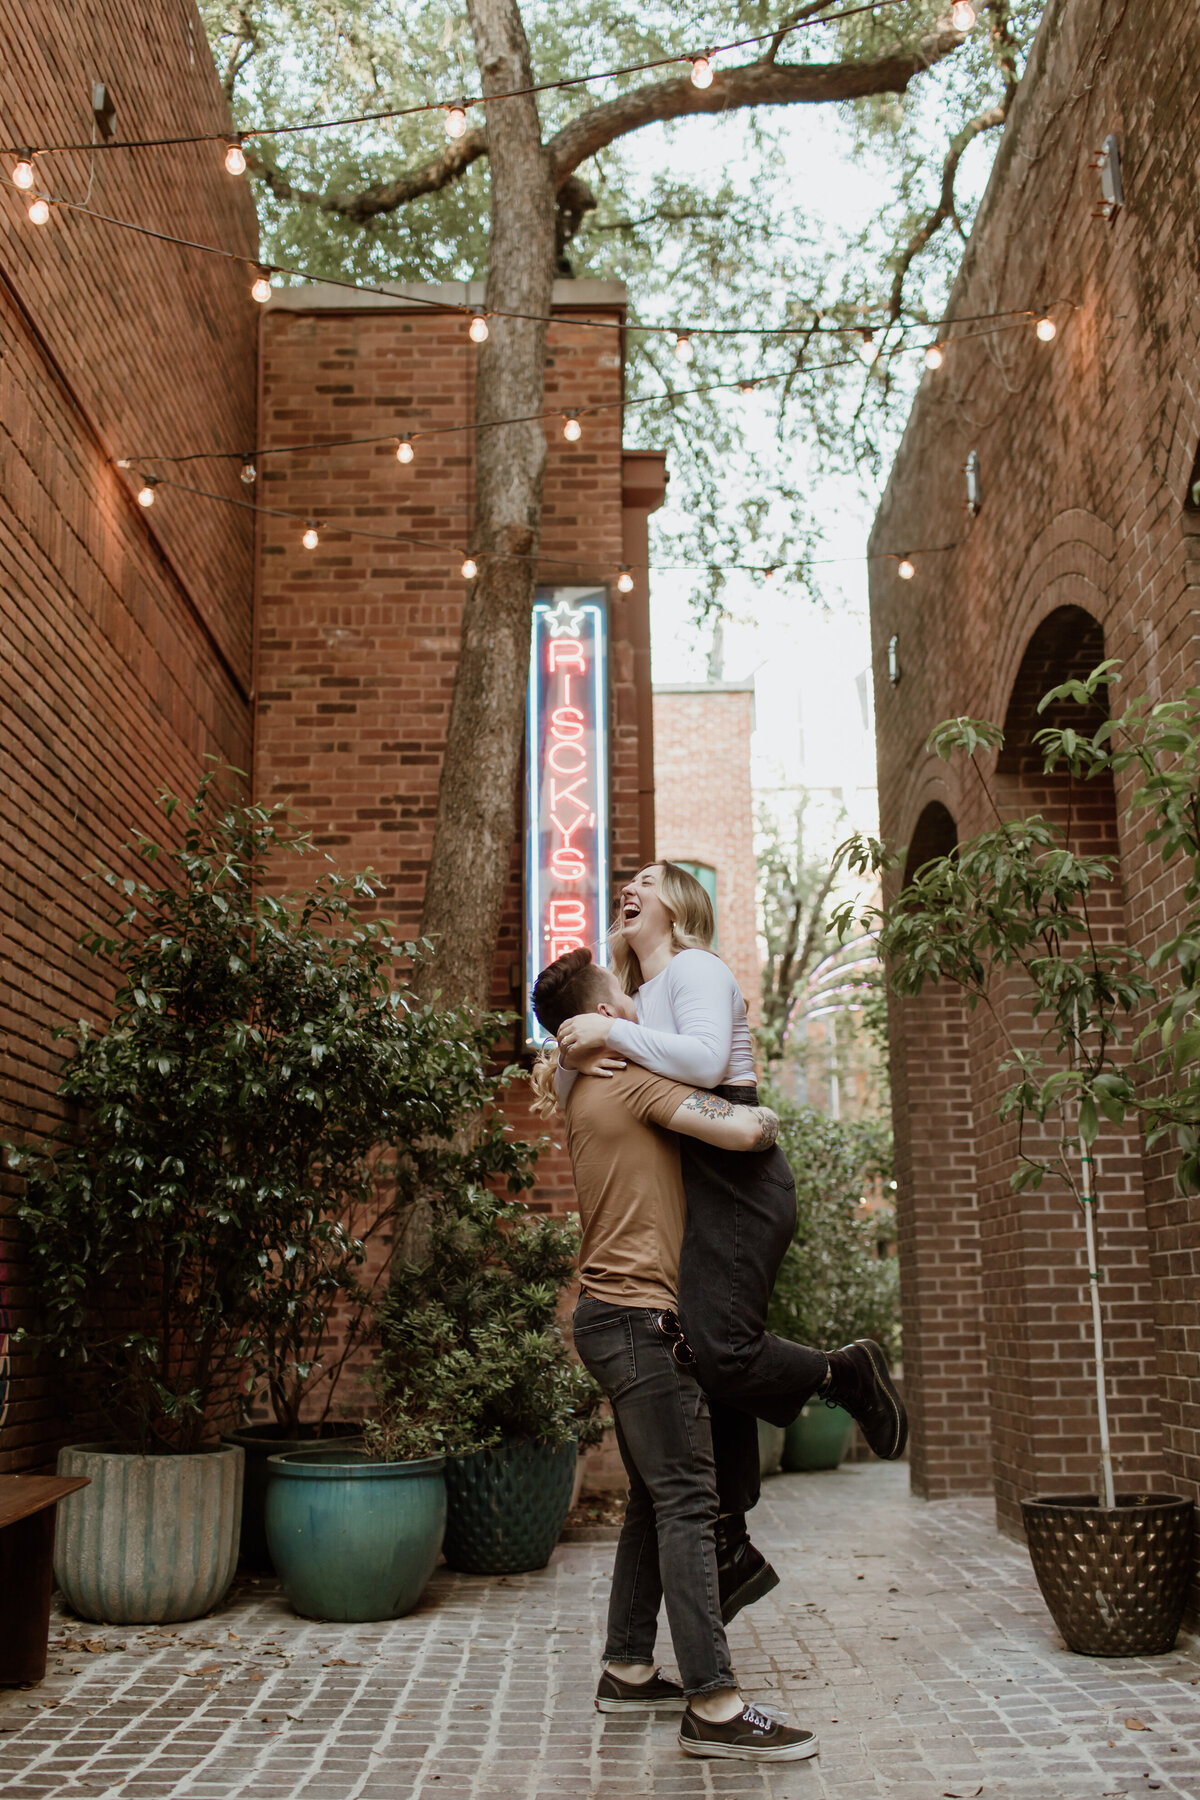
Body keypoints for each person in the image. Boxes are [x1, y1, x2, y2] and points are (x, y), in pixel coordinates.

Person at [554, 863, 907, 1596]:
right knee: (698, 1357)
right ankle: (730, 1537)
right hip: (698, 1173)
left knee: (720, 1350)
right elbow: (574, 1075)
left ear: (679, 903)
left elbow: (708, 1061)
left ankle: (846, 1373)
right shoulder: (638, 996)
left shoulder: (696, 969)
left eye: (650, 880)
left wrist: (609, 1032)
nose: (632, 885)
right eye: (630, 879)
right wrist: (573, 1042)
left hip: (739, 1175)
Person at [531, 947, 819, 1763]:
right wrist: (743, 1081)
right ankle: (716, 1706)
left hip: (608, 1316)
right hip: (639, 1320)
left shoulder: (586, 1084)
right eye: (625, 997)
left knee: (656, 1500)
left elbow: (566, 1062)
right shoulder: (629, 1079)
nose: (637, 1006)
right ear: (605, 1014)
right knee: (691, 1500)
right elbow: (747, 1127)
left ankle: (627, 1668)